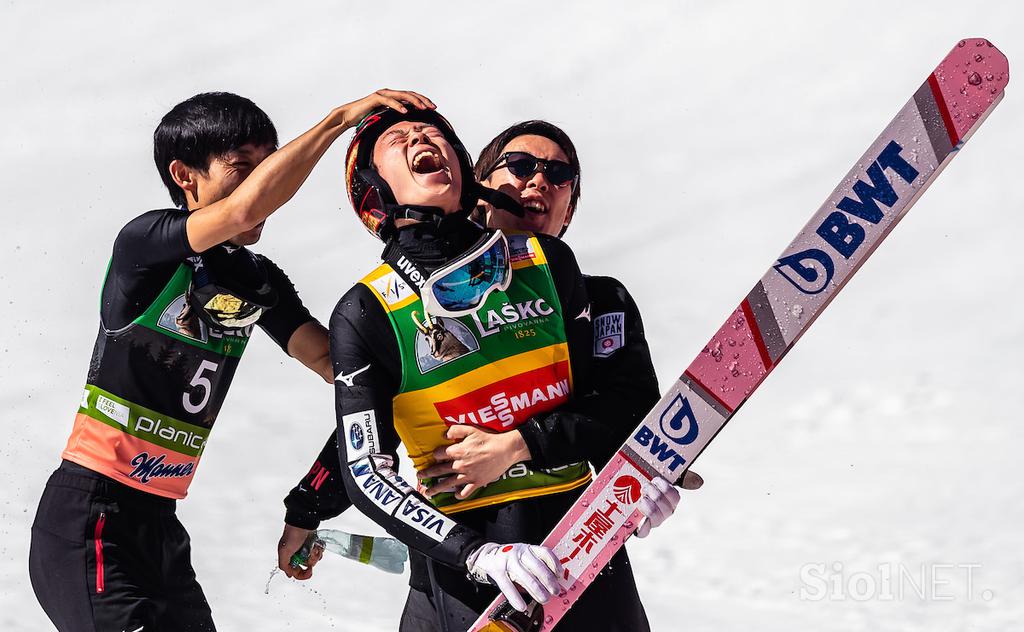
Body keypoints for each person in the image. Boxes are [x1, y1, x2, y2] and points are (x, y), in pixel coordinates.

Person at [28, 88, 434, 632]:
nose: (262, 185)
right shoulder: (145, 244)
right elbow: (244, 208)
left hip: (162, 528)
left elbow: (344, 373)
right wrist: (340, 119)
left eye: (268, 168)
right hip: (90, 519)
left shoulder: (258, 279)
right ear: (184, 175)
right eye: (242, 168)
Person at [283, 105, 681, 631]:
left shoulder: (570, 279)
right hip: (464, 569)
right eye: (520, 166)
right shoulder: (371, 308)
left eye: (560, 176)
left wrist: (639, 475)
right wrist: (307, 508)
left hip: (582, 549)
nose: (539, 182)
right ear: (482, 183)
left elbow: (617, 409)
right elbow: (368, 445)